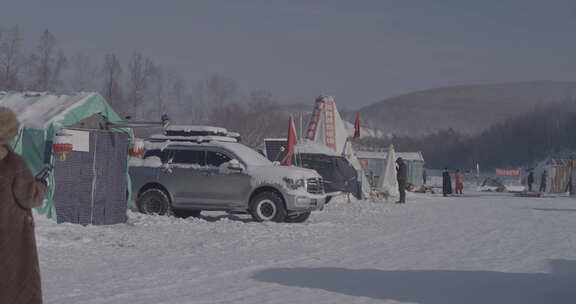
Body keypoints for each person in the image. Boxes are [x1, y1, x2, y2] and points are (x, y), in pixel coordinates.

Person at [0, 107, 47, 304]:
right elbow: (30, 198)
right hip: (10, 238)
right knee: (15, 286)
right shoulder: (13, 164)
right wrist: (42, 185)